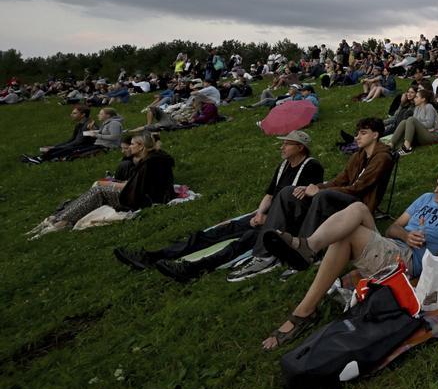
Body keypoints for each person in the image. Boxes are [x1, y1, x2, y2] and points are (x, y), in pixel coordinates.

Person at [259, 167, 438, 350]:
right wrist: (406, 235)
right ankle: (309, 246)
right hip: (395, 244)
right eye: (436, 184)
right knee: (359, 208)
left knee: (347, 236)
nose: (436, 189)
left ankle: (304, 304)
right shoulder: (425, 198)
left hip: (408, 260)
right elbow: (392, 228)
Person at [114, 130, 324, 281]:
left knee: (243, 242)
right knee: (217, 231)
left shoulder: (311, 167)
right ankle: (153, 256)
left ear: (300, 147)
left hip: (283, 224)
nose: (282, 147)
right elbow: (269, 194)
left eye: (287, 144)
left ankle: (192, 268)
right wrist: (259, 212)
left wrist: (268, 219)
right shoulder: (284, 165)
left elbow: (298, 206)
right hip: (264, 215)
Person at [229, 118, 393, 281]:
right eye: (357, 133)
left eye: (363, 133)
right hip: (343, 198)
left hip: (359, 207)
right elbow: (339, 181)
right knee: (288, 192)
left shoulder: (382, 157)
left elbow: (360, 188)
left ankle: (306, 252)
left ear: (375, 135)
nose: (357, 137)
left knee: (323, 196)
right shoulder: (359, 155)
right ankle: (264, 255)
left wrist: (320, 191)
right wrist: (315, 187)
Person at [27, 132, 175, 239]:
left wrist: (112, 185)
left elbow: (136, 189)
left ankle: (62, 221)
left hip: (146, 200)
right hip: (147, 195)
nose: (129, 147)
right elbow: (136, 183)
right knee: (101, 187)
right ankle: (59, 217)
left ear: (141, 146)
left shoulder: (151, 162)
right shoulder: (153, 158)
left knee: (99, 190)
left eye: (132, 144)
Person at [392, 88, 438, 153]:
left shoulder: (429, 107)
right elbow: (414, 124)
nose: (414, 99)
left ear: (423, 99)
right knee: (404, 122)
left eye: (417, 97)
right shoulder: (417, 108)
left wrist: (417, 124)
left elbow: (429, 124)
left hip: (432, 135)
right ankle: (391, 144)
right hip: (422, 134)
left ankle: (407, 148)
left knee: (411, 119)